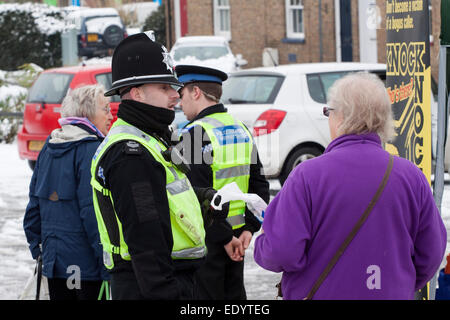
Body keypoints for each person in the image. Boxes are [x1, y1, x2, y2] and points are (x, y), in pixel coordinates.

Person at [253, 72, 447, 300]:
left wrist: (263, 241)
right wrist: (396, 282)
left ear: (341, 117)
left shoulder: (306, 176)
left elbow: (282, 252)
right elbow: (432, 252)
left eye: (328, 112)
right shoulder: (412, 177)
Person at [90, 32, 222, 300]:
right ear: (137, 93)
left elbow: (160, 197)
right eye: (164, 88)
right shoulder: (131, 154)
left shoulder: (149, 135)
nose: (175, 94)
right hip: (152, 286)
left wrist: (201, 199)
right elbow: (145, 241)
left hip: (168, 279)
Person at [175, 65, 270, 300]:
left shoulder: (193, 135)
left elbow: (192, 196)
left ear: (195, 92)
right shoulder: (241, 129)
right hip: (237, 240)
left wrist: (225, 237)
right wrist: (249, 228)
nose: (179, 103)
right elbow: (259, 186)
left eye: (181, 94)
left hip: (209, 241)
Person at [23, 84, 112, 300]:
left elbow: (34, 206)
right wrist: (107, 265)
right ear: (88, 114)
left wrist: (39, 252)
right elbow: (93, 213)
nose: (111, 115)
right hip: (86, 267)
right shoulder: (91, 149)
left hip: (55, 265)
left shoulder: (51, 144)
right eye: (105, 109)